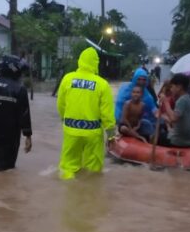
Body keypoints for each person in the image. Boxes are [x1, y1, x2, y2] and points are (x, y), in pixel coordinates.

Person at [57, 47, 115, 180]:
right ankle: (90, 194)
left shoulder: (67, 79)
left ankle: (68, 192)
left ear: (80, 61)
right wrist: (111, 136)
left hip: (71, 131)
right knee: (93, 171)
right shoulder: (102, 84)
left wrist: (64, 119)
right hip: (93, 134)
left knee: (68, 167)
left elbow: (60, 104)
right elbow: (107, 114)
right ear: (95, 63)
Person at [159, 73, 190, 147]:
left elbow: (173, 118)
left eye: (172, 87)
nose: (170, 89)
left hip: (181, 141)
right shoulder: (189, 99)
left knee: (157, 137)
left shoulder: (182, 100)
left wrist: (165, 101)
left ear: (179, 87)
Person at [115, 68, 157, 136]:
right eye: (139, 79)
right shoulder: (125, 91)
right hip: (125, 122)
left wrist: (159, 114)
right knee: (123, 128)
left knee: (148, 124)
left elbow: (153, 108)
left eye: (144, 80)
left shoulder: (147, 96)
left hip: (138, 122)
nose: (141, 82)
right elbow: (119, 107)